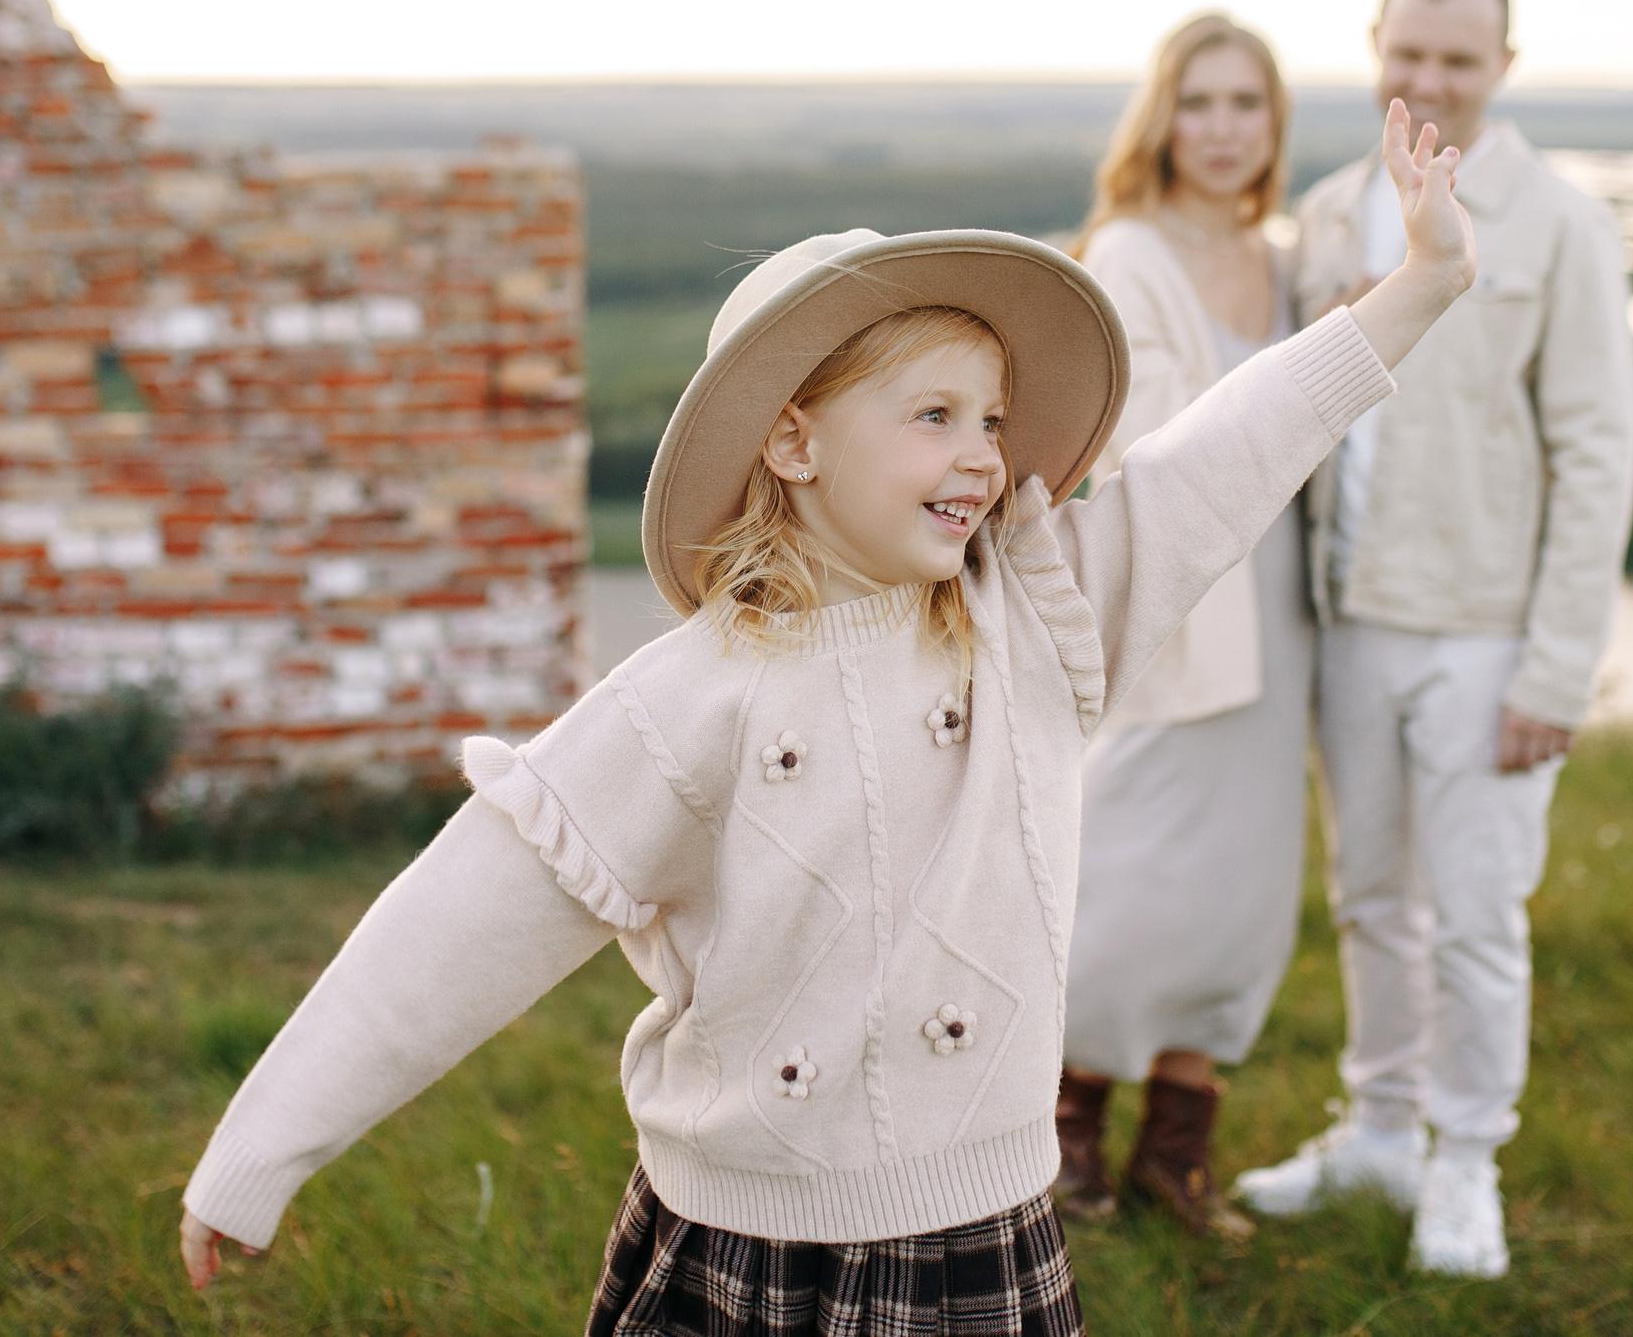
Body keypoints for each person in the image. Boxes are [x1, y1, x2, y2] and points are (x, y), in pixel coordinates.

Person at [176, 104, 1478, 1334]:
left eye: (990, 417)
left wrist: (1414, 286)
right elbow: (471, 915)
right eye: (932, 415)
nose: (983, 451)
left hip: (978, 1218)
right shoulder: (698, 687)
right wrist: (262, 1145)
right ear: (795, 442)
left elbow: (1231, 446)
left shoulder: (1037, 609)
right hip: (741, 1232)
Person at [1233, 0, 1633, 1281]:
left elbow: (1597, 453)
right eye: (1409, 52)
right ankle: (1381, 1127)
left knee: (1472, 909)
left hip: (1486, 635)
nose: (1430, 80)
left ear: (1503, 67)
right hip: (1350, 621)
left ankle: (1468, 1157)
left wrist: (1557, 669)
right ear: (1377, 44)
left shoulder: (1563, 222)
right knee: (1366, 897)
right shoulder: (1329, 213)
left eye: (1460, 60)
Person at [1050, 13, 1309, 1238]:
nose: (1220, 129)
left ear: (1273, 124)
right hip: (1176, 603)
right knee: (1127, 883)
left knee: (1243, 893)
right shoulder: (1126, 253)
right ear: (1162, 118)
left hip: (1284, 610)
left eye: (1243, 105)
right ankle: (1061, 1139)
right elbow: (1140, 447)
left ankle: (1176, 1153)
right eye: (1197, 103)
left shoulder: (1287, 257)